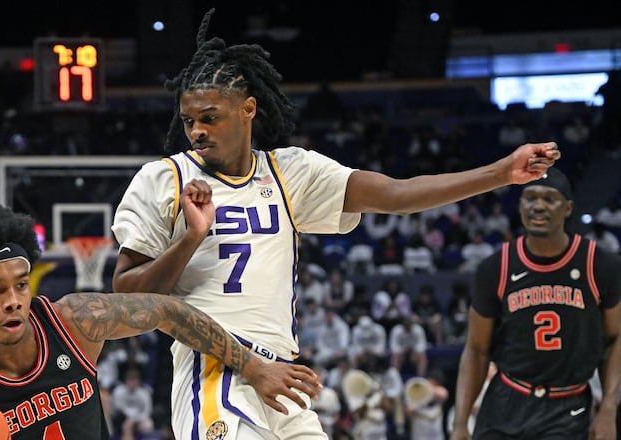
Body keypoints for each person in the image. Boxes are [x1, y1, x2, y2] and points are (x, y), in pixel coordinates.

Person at [111, 9, 560, 439]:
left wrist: (501, 173)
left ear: (248, 109)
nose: (196, 131)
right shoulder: (163, 179)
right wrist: (191, 238)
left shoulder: (290, 171)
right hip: (214, 370)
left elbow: (398, 195)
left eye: (210, 118)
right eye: (189, 121)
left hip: (282, 374)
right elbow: (128, 297)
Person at [0, 200, 322, 440]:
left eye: (21, 284)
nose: (14, 300)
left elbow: (167, 309)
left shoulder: (72, 321)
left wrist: (253, 366)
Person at [450, 167, 621, 440]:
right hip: (505, 401)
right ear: (519, 206)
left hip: (567, 405)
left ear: (567, 209)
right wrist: (460, 423)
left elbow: (615, 340)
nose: (538, 206)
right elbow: (476, 349)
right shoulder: (496, 268)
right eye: (530, 198)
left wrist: (609, 408)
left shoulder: (600, 264)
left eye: (549, 199)